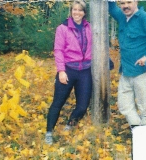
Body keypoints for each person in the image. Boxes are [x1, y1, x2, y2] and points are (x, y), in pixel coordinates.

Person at [108, 1, 146, 128]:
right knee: (124, 105)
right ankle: (137, 130)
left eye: (129, 2)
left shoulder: (144, 18)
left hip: (143, 71)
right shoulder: (123, 17)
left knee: (144, 108)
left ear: (136, 1)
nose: (125, 6)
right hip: (126, 71)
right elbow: (112, 9)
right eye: (122, 3)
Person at [45, 0, 92, 145]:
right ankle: (49, 132)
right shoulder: (63, 28)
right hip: (68, 70)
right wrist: (61, 71)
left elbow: (94, 45)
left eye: (80, 10)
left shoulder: (89, 27)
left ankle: (69, 125)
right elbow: (58, 50)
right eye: (74, 10)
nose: (77, 12)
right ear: (71, 11)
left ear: (84, 13)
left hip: (85, 71)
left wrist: (105, 59)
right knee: (57, 103)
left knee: (83, 106)